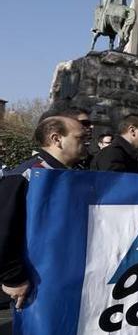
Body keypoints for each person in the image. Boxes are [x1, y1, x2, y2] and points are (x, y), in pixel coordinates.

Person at [0, 117, 86, 310]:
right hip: (35, 285)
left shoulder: (73, 175)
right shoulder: (24, 176)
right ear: (57, 139)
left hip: (66, 278)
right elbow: (4, 229)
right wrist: (13, 279)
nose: (86, 141)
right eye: (80, 137)